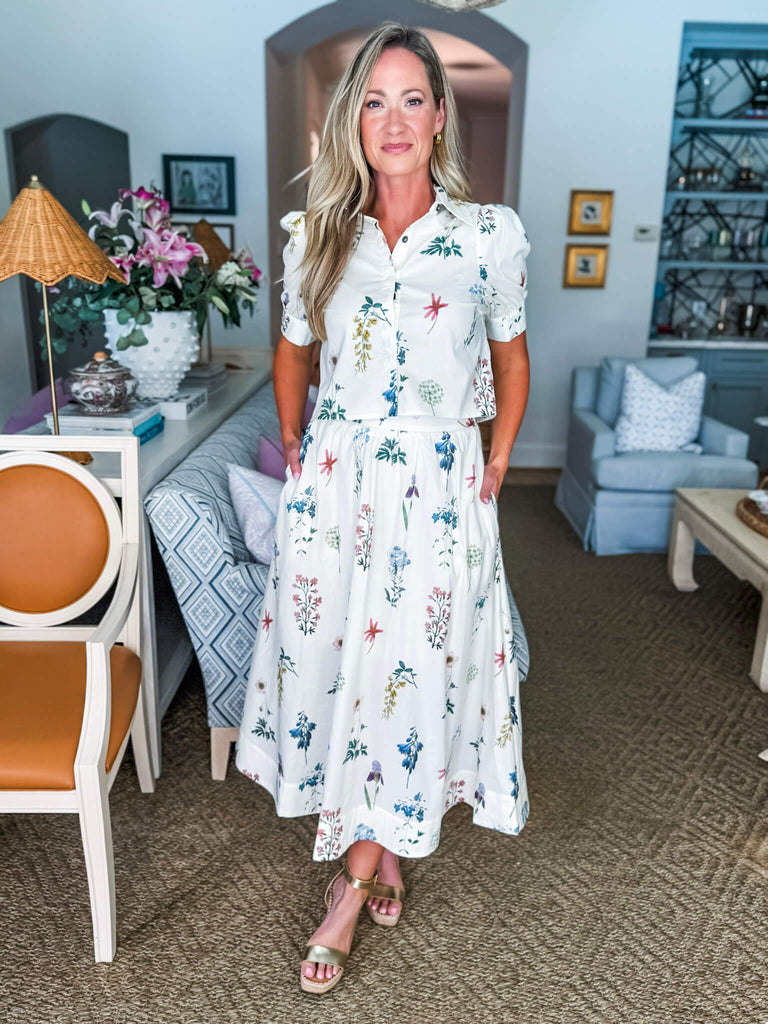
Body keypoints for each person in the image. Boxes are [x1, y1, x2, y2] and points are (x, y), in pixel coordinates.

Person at [235, 20, 531, 995]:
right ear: (351, 120)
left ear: (440, 116)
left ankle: (351, 888)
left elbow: (511, 359)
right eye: (374, 100)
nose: (393, 120)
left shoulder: (489, 237)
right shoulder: (317, 236)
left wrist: (497, 454)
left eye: (412, 100)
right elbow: (293, 351)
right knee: (347, 673)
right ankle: (387, 847)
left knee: (410, 672)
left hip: (440, 492)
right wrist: (297, 445)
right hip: (339, 487)